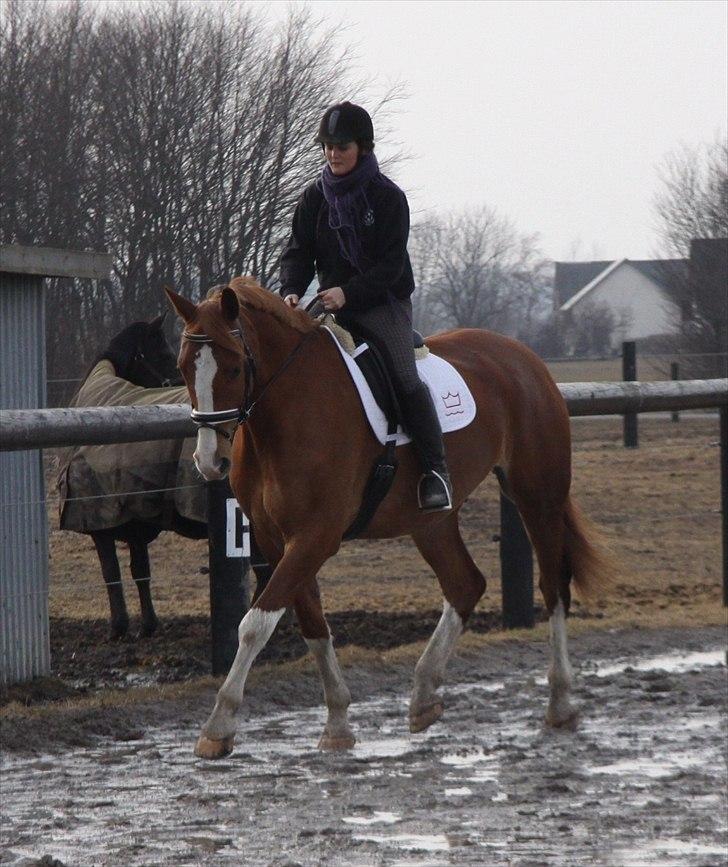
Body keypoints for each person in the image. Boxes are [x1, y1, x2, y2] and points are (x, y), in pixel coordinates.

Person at [278, 101, 452, 511]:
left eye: (342, 146)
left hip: (382, 304)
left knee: (404, 376)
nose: (333, 154)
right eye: (327, 146)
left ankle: (435, 470)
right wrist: (290, 290)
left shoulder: (389, 198)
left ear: (363, 147)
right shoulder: (313, 198)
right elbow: (298, 252)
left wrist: (349, 294)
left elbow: (391, 267)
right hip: (329, 304)